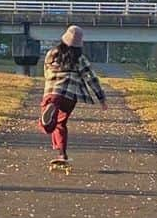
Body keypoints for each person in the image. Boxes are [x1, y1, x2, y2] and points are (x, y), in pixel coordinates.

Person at [39, 25, 107, 170]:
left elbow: (45, 71)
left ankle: (49, 114)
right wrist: (101, 98)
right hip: (70, 95)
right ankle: (62, 154)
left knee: (49, 126)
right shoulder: (80, 58)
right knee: (61, 124)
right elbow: (91, 78)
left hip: (52, 91)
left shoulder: (52, 53)